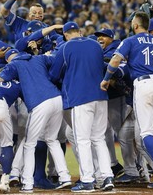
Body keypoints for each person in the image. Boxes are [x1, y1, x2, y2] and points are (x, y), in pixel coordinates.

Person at [100, 11, 153, 189]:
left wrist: (106, 79)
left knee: (146, 132)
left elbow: (114, 61)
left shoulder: (130, 41)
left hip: (143, 85)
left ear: (136, 25)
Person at [0, 48, 72, 193]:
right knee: (52, 140)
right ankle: (65, 177)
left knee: (29, 144)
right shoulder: (39, 58)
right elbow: (58, 61)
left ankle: (28, 184)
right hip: (57, 98)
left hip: (39, 103)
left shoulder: (14, 64)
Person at [50, 22, 114, 192]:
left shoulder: (65, 47)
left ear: (65, 34)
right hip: (100, 96)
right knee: (99, 139)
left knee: (83, 140)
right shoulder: (95, 45)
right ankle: (107, 177)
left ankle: (87, 180)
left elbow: (54, 74)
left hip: (80, 97)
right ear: (80, 32)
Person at [94, 28, 140, 182]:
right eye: (98, 36)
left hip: (120, 98)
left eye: (104, 36)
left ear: (111, 38)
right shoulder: (103, 50)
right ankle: (133, 167)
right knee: (124, 134)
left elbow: (109, 64)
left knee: (125, 134)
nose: (100, 38)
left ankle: (136, 167)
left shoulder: (115, 48)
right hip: (112, 97)